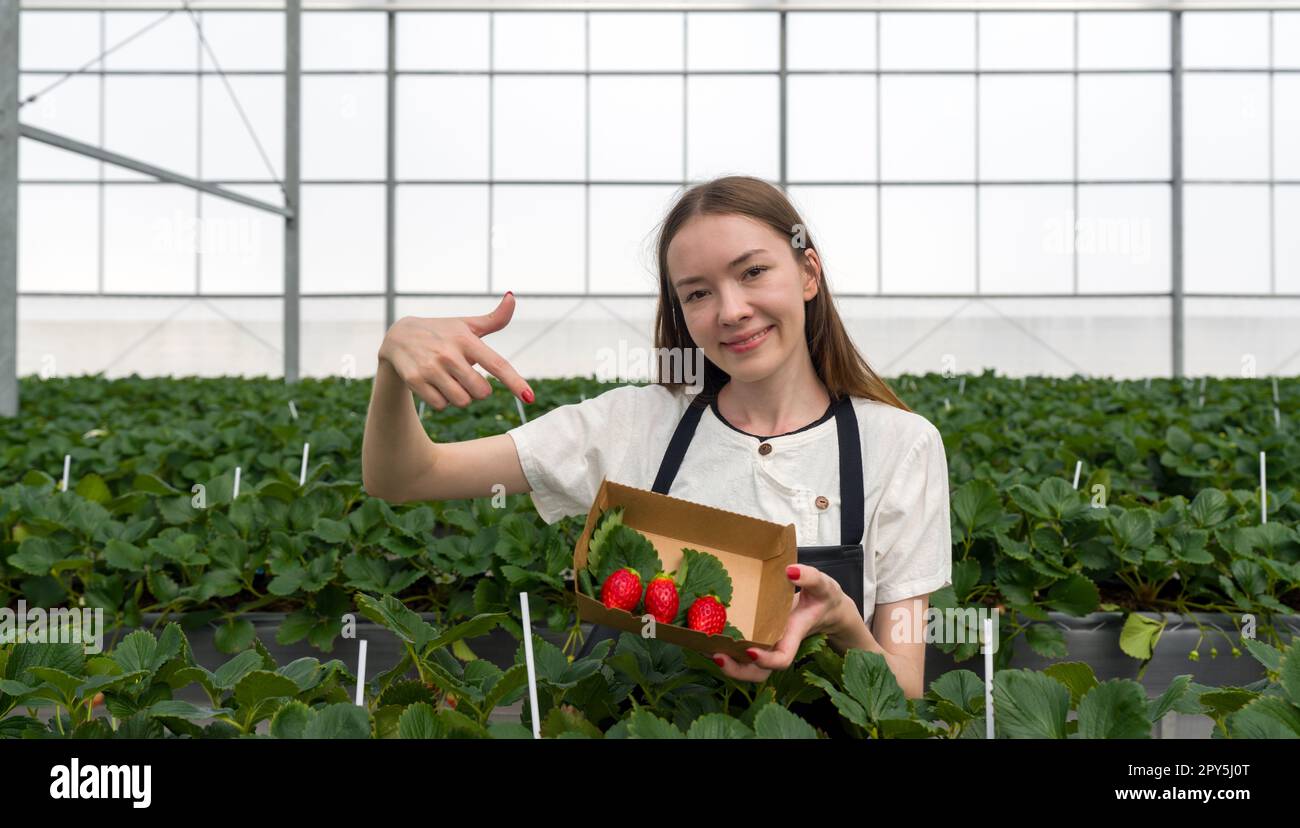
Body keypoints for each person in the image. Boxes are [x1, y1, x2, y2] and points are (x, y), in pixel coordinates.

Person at [362, 175, 952, 701]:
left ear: (807, 273)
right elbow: (404, 478)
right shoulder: (632, 425)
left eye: (752, 272)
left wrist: (845, 623)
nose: (731, 309)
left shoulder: (902, 447)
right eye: (697, 292)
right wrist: (392, 365)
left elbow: (903, 690)